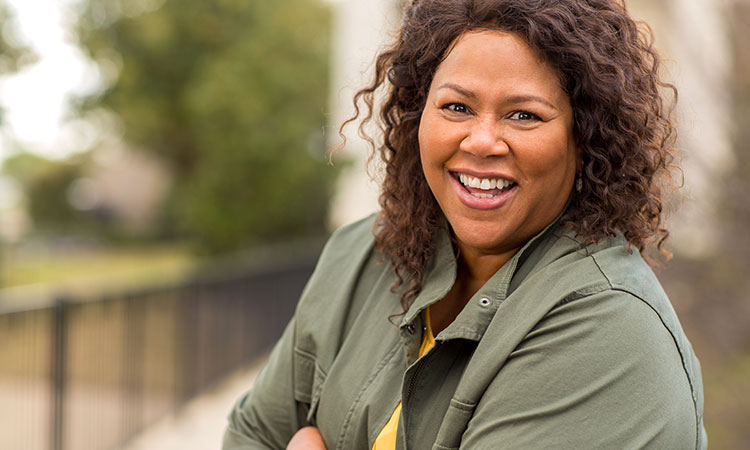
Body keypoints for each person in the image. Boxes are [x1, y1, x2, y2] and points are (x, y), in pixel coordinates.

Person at [223, 0, 707, 448]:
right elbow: (252, 434)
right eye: (457, 107)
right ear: (418, 115)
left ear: (584, 139)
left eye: (523, 114)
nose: (481, 141)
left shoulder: (611, 337)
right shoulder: (363, 253)